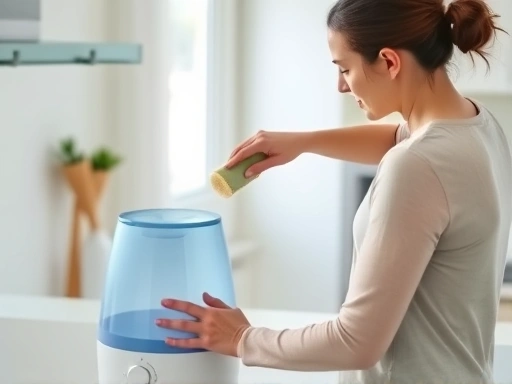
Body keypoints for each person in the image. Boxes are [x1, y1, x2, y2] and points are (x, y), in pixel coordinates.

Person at [155, 0, 512, 382]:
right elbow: (401, 138)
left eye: (345, 68)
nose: (341, 85)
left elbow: (355, 341)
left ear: (390, 62)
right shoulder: (479, 126)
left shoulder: (415, 166)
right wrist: (304, 141)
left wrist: (243, 338)